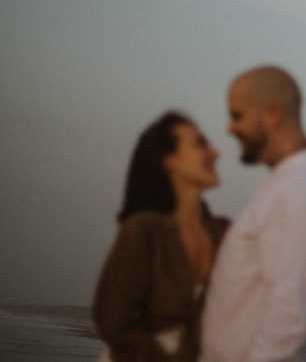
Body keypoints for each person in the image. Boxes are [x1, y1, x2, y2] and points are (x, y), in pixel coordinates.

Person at [201, 66, 306, 362]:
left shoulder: (301, 190)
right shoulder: (288, 185)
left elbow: (291, 321)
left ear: (274, 114)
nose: (229, 128)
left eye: (237, 115)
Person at [93, 111, 229, 362]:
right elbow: (114, 321)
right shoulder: (143, 230)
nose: (215, 152)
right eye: (200, 143)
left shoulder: (223, 233)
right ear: (169, 161)